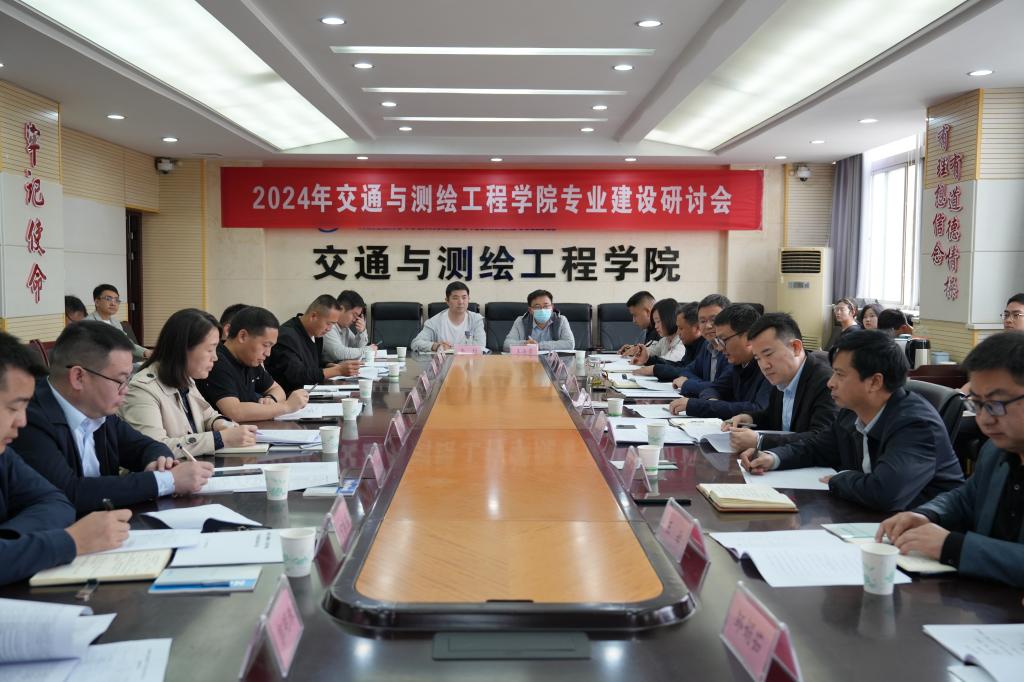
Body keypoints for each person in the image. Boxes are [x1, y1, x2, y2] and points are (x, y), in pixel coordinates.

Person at [740, 330, 964, 512]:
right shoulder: (852, 411)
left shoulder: (915, 424)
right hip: (867, 516)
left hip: (921, 531)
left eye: (840, 374)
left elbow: (885, 492)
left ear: (874, 382)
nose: (830, 383)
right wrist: (773, 457)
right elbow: (817, 447)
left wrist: (839, 479)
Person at [12, 321, 213, 513]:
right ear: (79, 377)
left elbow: (146, 446)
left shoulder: (98, 410)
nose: (125, 390)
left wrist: (159, 463)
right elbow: (67, 492)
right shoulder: (27, 418)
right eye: (120, 380)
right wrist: (166, 481)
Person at [878, 332, 1024, 586]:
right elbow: (965, 498)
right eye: (977, 404)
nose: (984, 419)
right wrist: (927, 514)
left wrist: (953, 546)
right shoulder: (995, 451)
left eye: (996, 404)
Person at [0, 331, 133, 585]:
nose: (22, 421)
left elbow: (55, 501)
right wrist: (71, 541)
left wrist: (9, 544)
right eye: (13, 408)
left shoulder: (3, 454)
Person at [121, 309, 258, 456]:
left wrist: (223, 425)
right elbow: (154, 448)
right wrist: (220, 438)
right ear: (182, 348)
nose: (215, 357)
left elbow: (208, 416)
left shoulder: (186, 378)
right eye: (210, 350)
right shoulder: (142, 389)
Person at [724, 313, 838, 451]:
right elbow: (775, 418)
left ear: (795, 347)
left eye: (768, 354)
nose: (764, 366)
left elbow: (822, 437)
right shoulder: (782, 377)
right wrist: (749, 418)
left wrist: (761, 441)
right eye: (758, 358)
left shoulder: (826, 382)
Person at [196, 306, 310, 422]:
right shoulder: (216, 362)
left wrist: (271, 399)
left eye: (271, 347)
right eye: (266, 345)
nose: (268, 353)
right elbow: (234, 412)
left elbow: (276, 389)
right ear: (243, 336)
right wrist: (287, 406)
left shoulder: (249, 359)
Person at [670, 304, 771, 420]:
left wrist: (701, 405)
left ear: (748, 337)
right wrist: (712, 402)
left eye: (723, 340)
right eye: (718, 341)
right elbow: (713, 389)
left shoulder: (767, 366)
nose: (719, 348)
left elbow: (757, 410)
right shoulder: (738, 364)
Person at [264, 295, 360, 393]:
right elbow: (297, 375)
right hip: (288, 396)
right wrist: (338, 371)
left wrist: (329, 365)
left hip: (308, 392)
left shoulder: (315, 334)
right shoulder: (287, 336)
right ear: (313, 316)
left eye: (333, 324)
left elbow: (313, 362)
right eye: (328, 323)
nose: (329, 329)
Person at [666, 294, 733, 390]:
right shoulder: (707, 345)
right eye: (703, 321)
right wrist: (703, 384)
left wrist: (687, 383)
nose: (708, 326)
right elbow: (686, 371)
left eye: (714, 320)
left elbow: (722, 388)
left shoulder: (732, 349)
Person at [411, 281, 487, 352]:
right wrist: (436, 346)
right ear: (447, 301)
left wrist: (454, 350)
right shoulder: (434, 322)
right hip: (444, 361)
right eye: (455, 298)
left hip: (468, 361)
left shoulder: (476, 320)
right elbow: (416, 343)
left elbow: (481, 347)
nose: (461, 302)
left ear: (468, 299)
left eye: (464, 297)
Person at [634, 302, 704, 378]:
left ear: (698, 328)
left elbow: (691, 373)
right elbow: (682, 366)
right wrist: (648, 360)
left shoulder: (706, 347)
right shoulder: (691, 344)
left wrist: (655, 369)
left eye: (681, 328)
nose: (678, 332)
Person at [87, 284, 150, 360]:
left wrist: (146, 352)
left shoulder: (115, 322)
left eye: (116, 300)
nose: (113, 303)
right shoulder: (88, 323)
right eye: (108, 299)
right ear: (97, 302)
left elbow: (125, 343)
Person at [502, 289, 575, 352]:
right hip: (527, 362)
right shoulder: (521, 321)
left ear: (552, 307)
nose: (542, 310)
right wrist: (525, 343)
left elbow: (570, 344)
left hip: (554, 362)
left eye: (546, 306)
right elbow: (506, 345)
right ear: (530, 310)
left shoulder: (561, 320)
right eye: (537, 307)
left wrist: (539, 346)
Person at [323, 290, 375, 362]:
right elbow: (339, 353)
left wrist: (362, 332)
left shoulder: (345, 328)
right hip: (328, 368)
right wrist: (367, 349)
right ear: (341, 309)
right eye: (354, 315)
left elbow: (356, 348)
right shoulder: (329, 326)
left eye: (358, 316)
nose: (355, 320)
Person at [631, 298, 685, 365]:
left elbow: (668, 362)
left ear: (670, 318)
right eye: (655, 322)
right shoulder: (664, 340)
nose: (655, 326)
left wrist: (646, 360)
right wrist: (639, 350)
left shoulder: (682, 342)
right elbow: (653, 350)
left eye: (658, 321)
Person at [618, 291, 658, 357]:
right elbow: (653, 348)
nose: (634, 321)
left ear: (648, 312)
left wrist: (639, 350)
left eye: (635, 315)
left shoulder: (664, 329)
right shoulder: (650, 328)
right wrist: (634, 348)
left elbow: (662, 354)